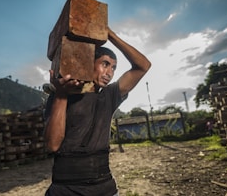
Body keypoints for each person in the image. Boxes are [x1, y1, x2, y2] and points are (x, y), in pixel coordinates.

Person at [44, 27, 151, 196]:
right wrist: (61, 95)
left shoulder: (109, 96)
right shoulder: (62, 95)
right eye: (105, 64)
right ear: (89, 63)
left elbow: (143, 66)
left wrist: (110, 34)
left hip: (105, 189)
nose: (110, 73)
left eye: (114, 68)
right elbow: (53, 145)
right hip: (67, 190)